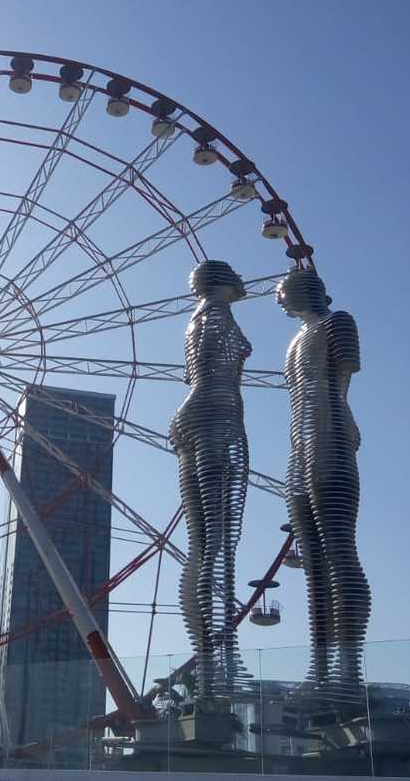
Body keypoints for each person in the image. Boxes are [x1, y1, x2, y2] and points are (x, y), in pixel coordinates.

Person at [277, 266, 370, 701]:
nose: (278, 299)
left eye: (282, 291)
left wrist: (336, 434)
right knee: (314, 568)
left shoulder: (338, 322)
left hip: (329, 439)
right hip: (298, 450)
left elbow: (342, 381)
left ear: (303, 289)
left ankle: (348, 671)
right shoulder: (294, 340)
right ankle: (320, 670)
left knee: (339, 553)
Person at [169, 260, 251, 699]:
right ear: (221, 281)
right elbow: (209, 368)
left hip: (193, 415)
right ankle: (219, 662)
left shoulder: (195, 319)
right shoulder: (217, 315)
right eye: (234, 272)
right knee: (219, 547)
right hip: (215, 416)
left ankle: (210, 661)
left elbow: (195, 370)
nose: (242, 279)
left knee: (201, 547)